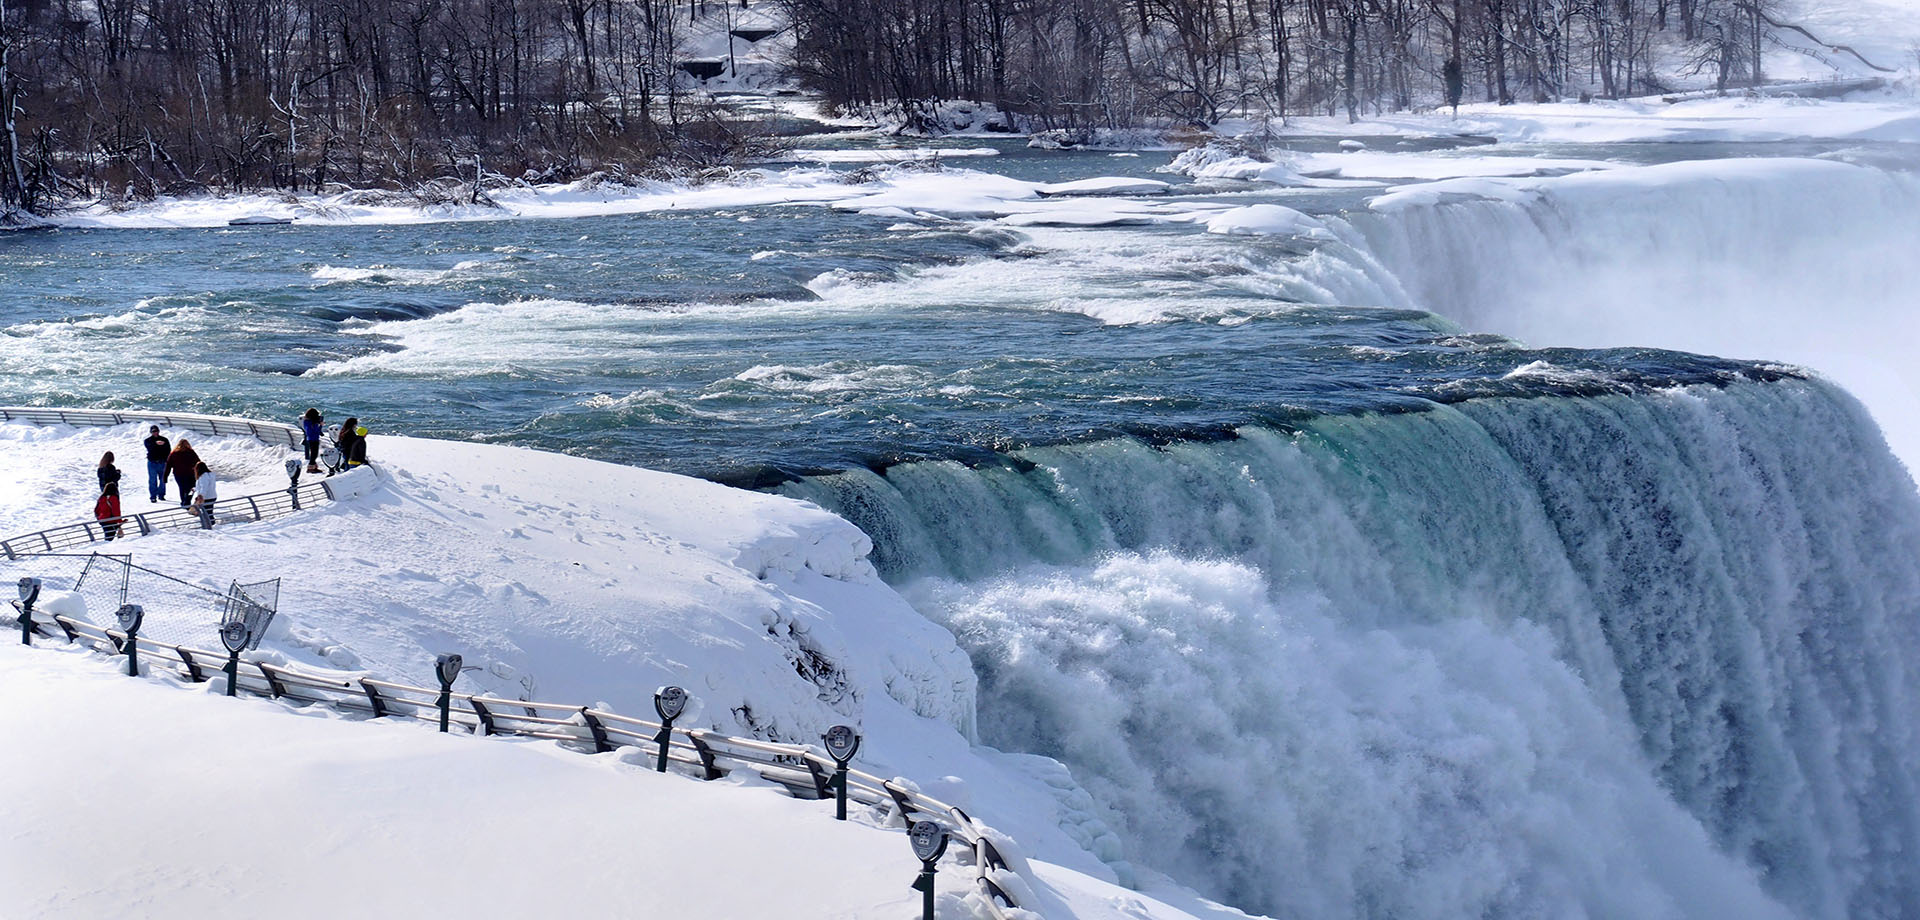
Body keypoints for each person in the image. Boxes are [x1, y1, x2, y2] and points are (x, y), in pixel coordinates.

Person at [166, 438, 202, 509]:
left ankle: (184, 501)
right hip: (190, 474)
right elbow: (198, 462)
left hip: (178, 474)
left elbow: (168, 465)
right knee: (192, 488)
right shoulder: (191, 452)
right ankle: (187, 500)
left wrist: (165, 476)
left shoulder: (174, 453)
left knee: (182, 488)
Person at [95, 452, 123, 540]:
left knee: (105, 506)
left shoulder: (100, 468)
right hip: (111, 489)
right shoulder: (110, 467)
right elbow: (114, 478)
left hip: (104, 490)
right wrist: (118, 473)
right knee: (114, 506)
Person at [142, 426, 170, 502]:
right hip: (152, 462)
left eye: (156, 431)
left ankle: (161, 494)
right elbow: (150, 448)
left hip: (162, 462)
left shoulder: (164, 439)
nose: (155, 433)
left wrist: (166, 460)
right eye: (153, 431)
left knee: (163, 480)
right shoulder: (148, 440)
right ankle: (153, 496)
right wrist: (156, 444)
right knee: (152, 480)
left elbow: (168, 450)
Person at [191, 460, 218, 529]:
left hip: (206, 497)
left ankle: (210, 525)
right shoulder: (210, 475)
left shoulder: (203, 476)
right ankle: (211, 524)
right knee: (209, 511)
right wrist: (195, 489)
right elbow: (203, 486)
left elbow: (204, 487)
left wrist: (201, 495)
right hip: (212, 495)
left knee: (206, 512)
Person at [301, 408, 324, 474]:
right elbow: (315, 431)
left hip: (312, 438)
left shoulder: (307, 421)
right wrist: (320, 426)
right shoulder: (310, 423)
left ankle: (314, 467)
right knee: (314, 454)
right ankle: (310, 468)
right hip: (313, 439)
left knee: (314, 454)